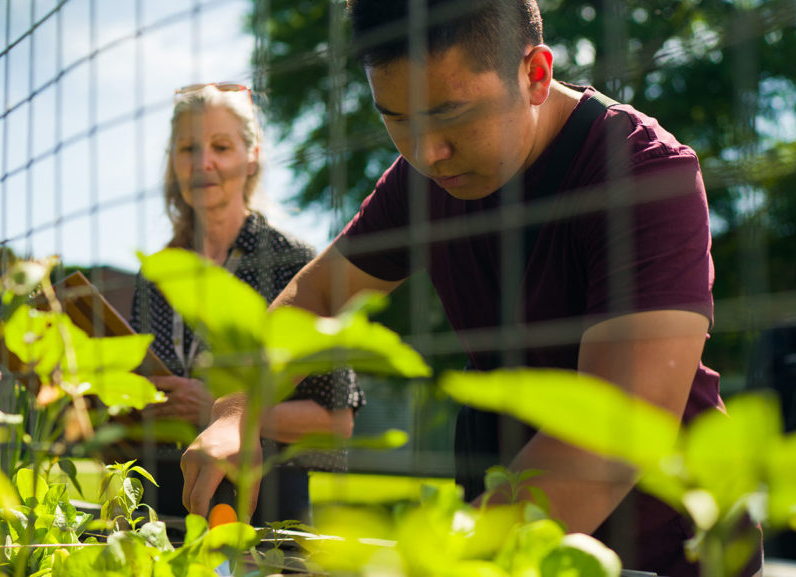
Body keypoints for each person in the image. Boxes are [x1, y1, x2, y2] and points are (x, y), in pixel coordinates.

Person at [180, 2, 762, 575]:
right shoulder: (422, 180)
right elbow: (316, 296)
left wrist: (436, 561)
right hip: (505, 530)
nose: (427, 153)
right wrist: (237, 412)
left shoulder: (644, 175)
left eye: (451, 115)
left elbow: (611, 439)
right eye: (397, 119)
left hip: (671, 550)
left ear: (535, 74)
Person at [129, 83, 364, 525]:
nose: (203, 163)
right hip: (160, 507)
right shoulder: (155, 274)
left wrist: (217, 409)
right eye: (187, 148)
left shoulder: (294, 264)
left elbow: (337, 422)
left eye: (221, 146)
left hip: (266, 512)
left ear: (252, 154)